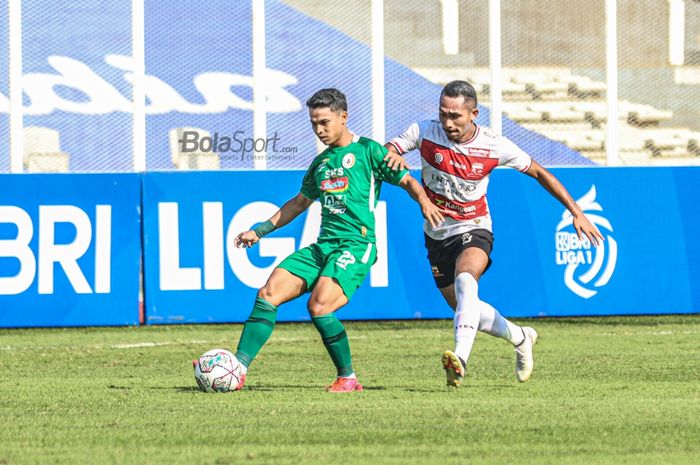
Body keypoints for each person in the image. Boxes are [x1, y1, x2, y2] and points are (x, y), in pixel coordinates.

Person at [384, 80, 604, 387]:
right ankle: (521, 337)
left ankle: (459, 359)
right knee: (465, 306)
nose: (448, 122)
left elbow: (539, 172)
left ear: (474, 113)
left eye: (456, 116)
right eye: (443, 114)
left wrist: (577, 212)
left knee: (465, 281)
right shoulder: (424, 131)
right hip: (436, 235)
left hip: (475, 228)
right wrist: (392, 154)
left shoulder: (492, 145)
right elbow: (389, 150)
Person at [229, 88, 443, 392]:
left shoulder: (369, 151)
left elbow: (407, 180)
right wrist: (260, 230)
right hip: (323, 246)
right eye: (314, 123)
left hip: (356, 245)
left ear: (343, 117)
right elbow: (298, 204)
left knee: (319, 306)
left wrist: (424, 202)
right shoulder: (321, 163)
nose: (319, 129)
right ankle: (237, 369)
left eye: (324, 122)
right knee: (268, 292)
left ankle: (348, 377)